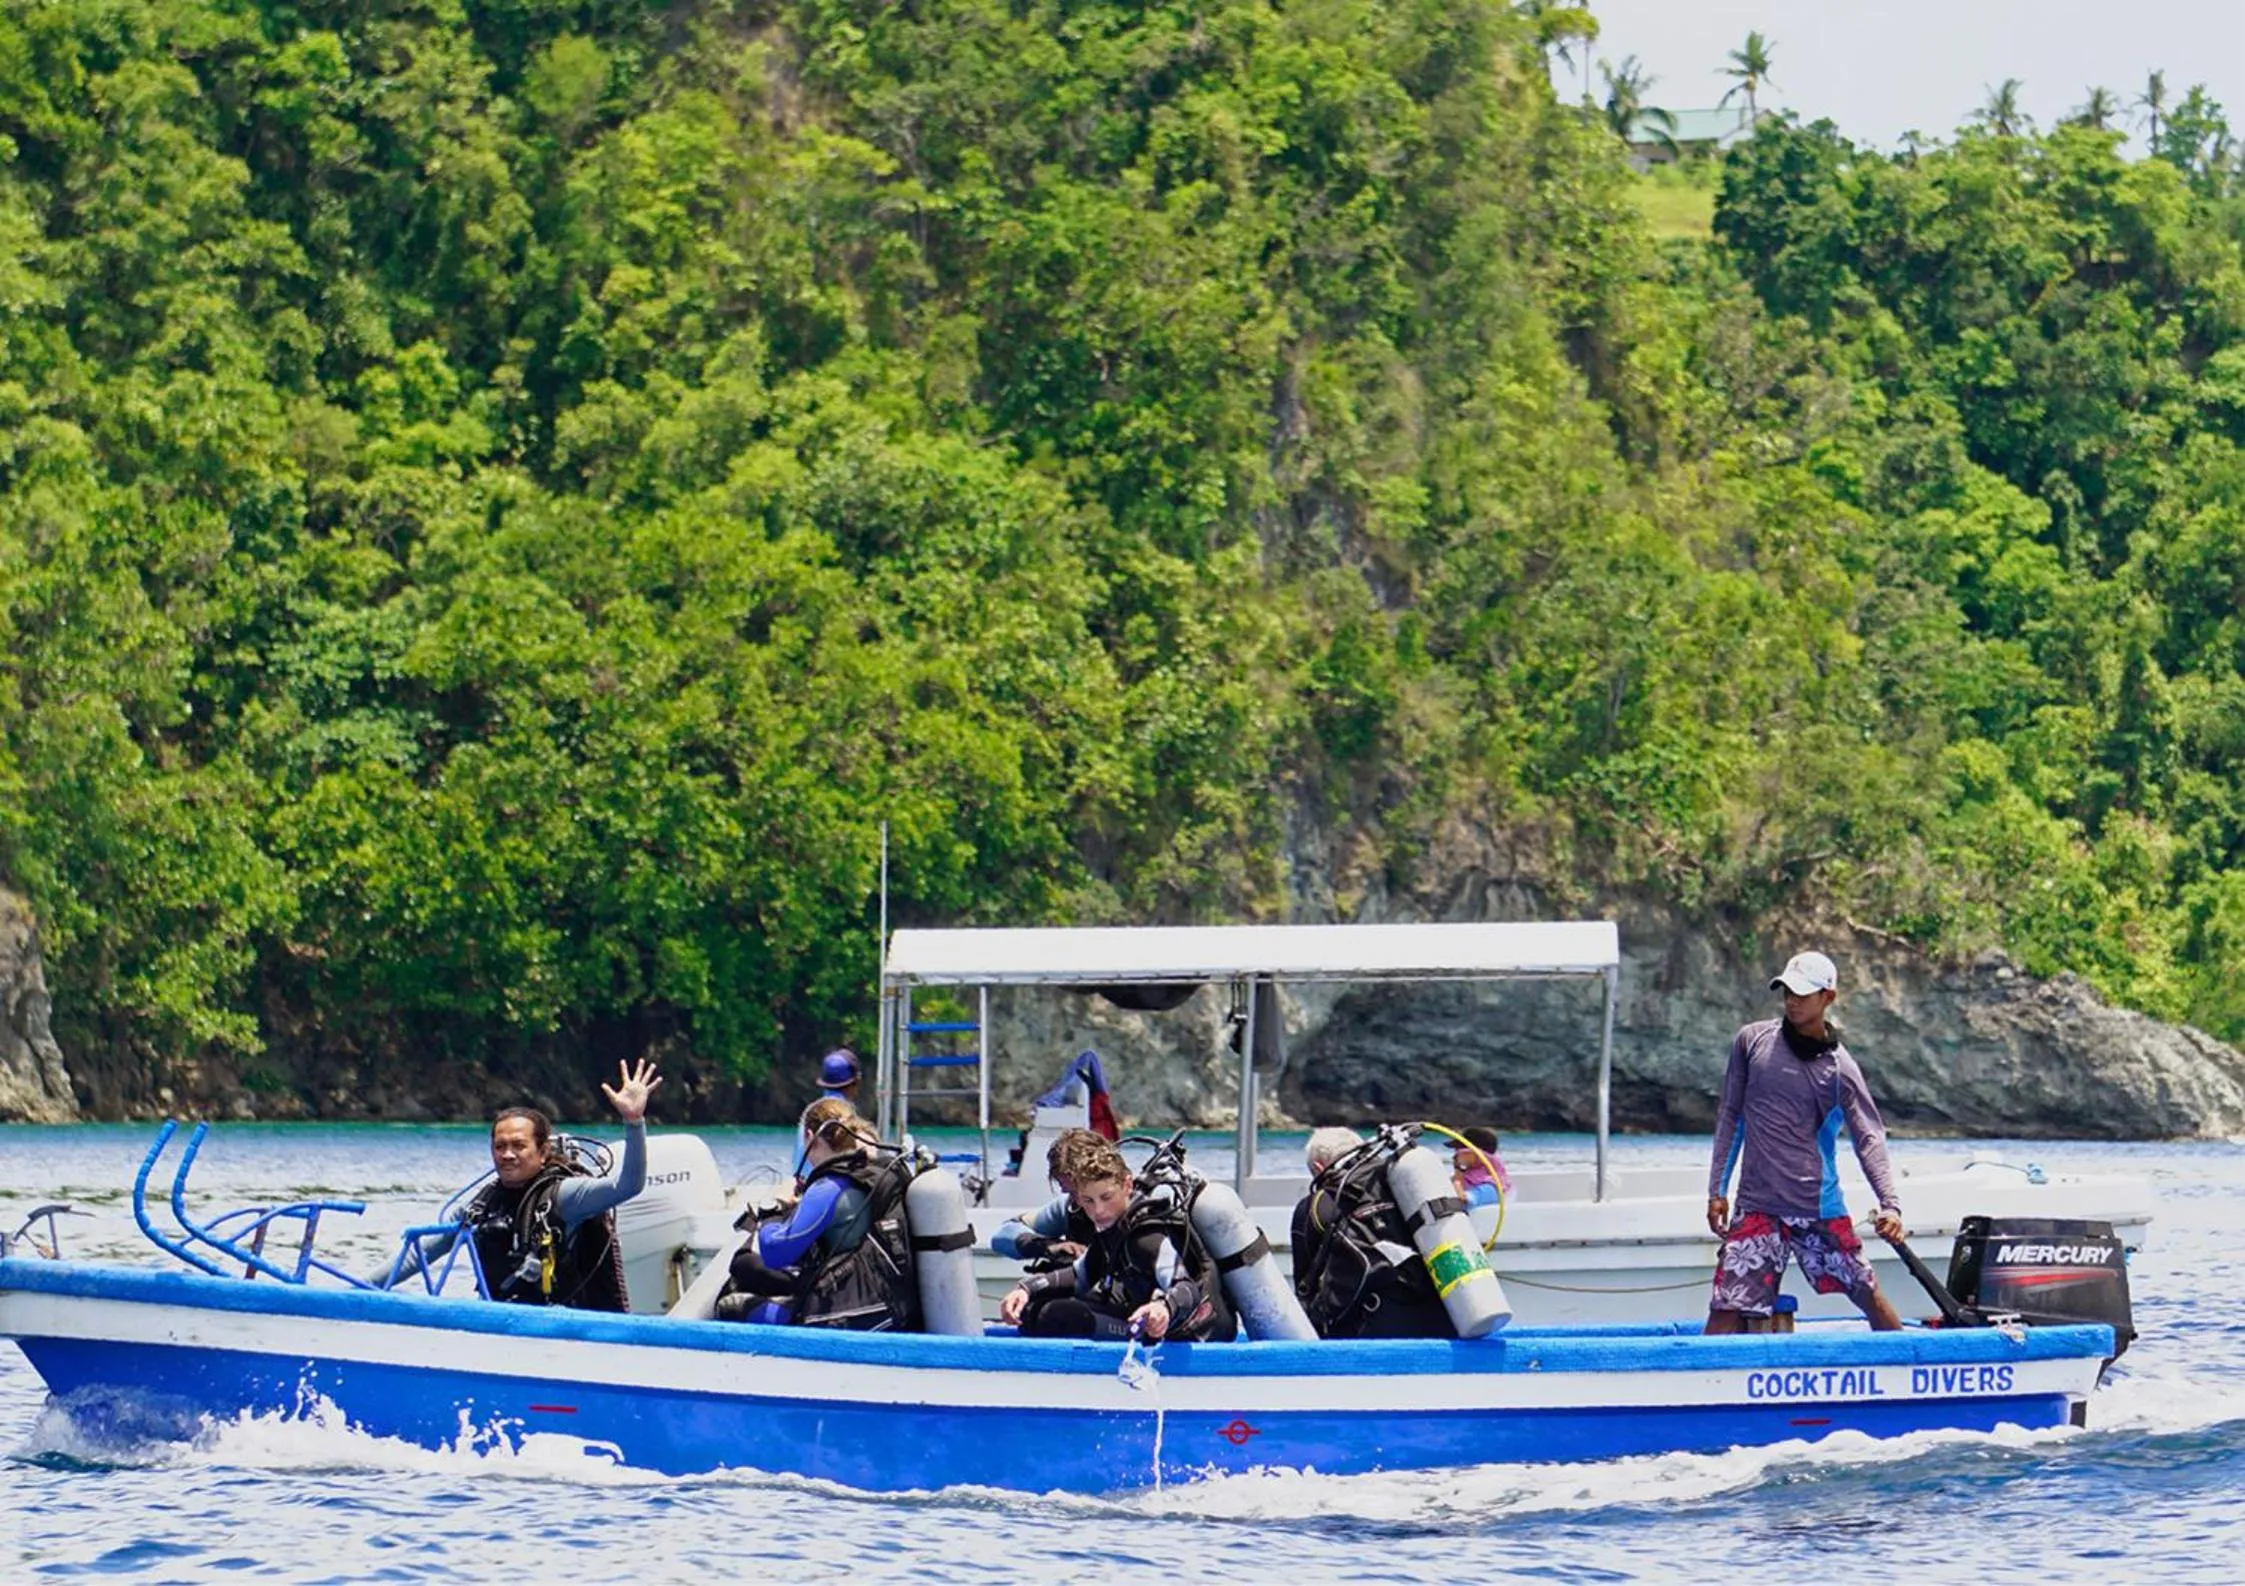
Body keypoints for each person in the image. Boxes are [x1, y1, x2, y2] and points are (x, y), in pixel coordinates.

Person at [1705, 950, 1905, 1335]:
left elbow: (1868, 1137)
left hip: (1818, 1209)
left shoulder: (1839, 1069)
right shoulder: (1752, 1042)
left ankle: (1913, 1372)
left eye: (1802, 993)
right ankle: (1695, 1389)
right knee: (1726, 1308)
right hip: (1758, 1208)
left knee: (1866, 1292)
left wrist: (1891, 1206)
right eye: (1786, 992)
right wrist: (1717, 1190)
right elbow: (1731, 1116)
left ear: (1828, 997)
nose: (1792, 1001)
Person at [380, 1059, 662, 1310]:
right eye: (499, 1146)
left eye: (518, 1146)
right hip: (500, 1320)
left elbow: (628, 1186)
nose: (507, 1154)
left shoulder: (564, 1196)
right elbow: (419, 1255)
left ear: (542, 1153)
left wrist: (633, 1122)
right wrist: (356, 1290)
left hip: (560, 1323)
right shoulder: (480, 1205)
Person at [996, 1130, 1233, 1342]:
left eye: (1106, 1197)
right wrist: (1025, 1288)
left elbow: (1184, 1287)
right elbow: (1080, 1275)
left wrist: (1164, 1308)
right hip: (1138, 1312)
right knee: (1033, 1312)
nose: (1097, 1210)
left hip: (1185, 1328)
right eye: (1086, 1200)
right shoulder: (1106, 1227)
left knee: (1056, 1316)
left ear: (1127, 1185)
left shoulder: (1145, 1235)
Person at [716, 1098, 919, 1331]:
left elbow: (775, 1253)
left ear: (810, 1137)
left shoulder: (830, 1186)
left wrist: (775, 1206)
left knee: (730, 1306)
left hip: (854, 1313)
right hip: (890, 1305)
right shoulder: (870, 1173)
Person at [1289, 1128, 1453, 1339]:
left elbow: (1305, 1286)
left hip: (1372, 1329)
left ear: (1318, 1167)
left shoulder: (1316, 1206)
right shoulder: (1406, 1184)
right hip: (1444, 1320)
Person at [1452, 1126, 1510, 1208]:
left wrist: (1460, 1168)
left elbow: (1462, 1199)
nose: (1456, 1155)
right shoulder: (1465, 1177)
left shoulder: (1492, 1187)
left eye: (1459, 1150)